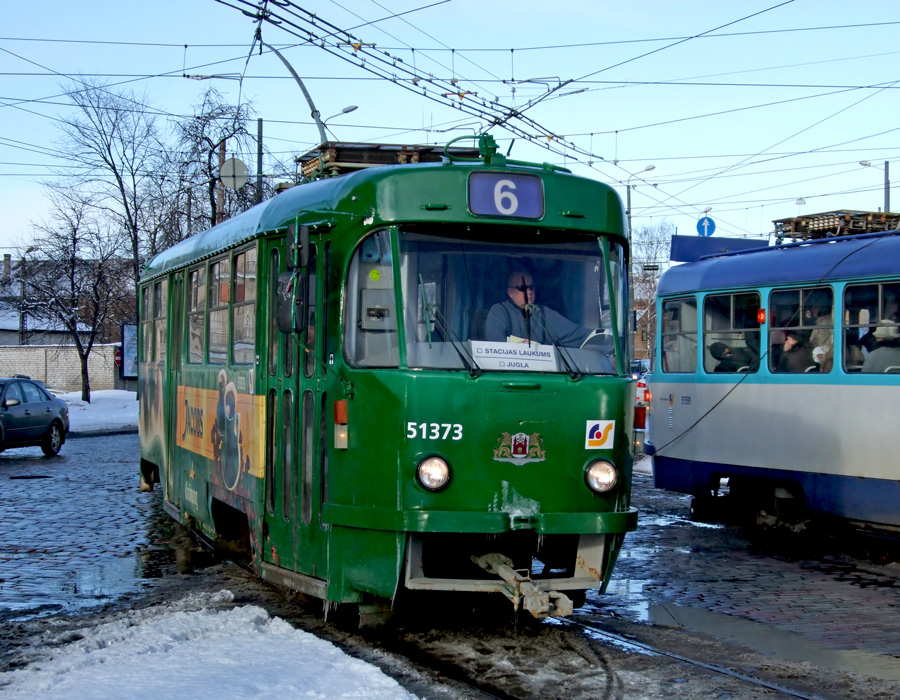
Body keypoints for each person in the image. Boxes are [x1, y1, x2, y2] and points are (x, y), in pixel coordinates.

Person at [484, 270, 593, 347]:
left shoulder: (542, 313)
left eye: (531, 287)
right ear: (510, 292)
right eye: (522, 288)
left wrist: (605, 336)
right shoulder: (499, 311)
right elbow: (496, 348)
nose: (529, 292)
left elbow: (576, 335)